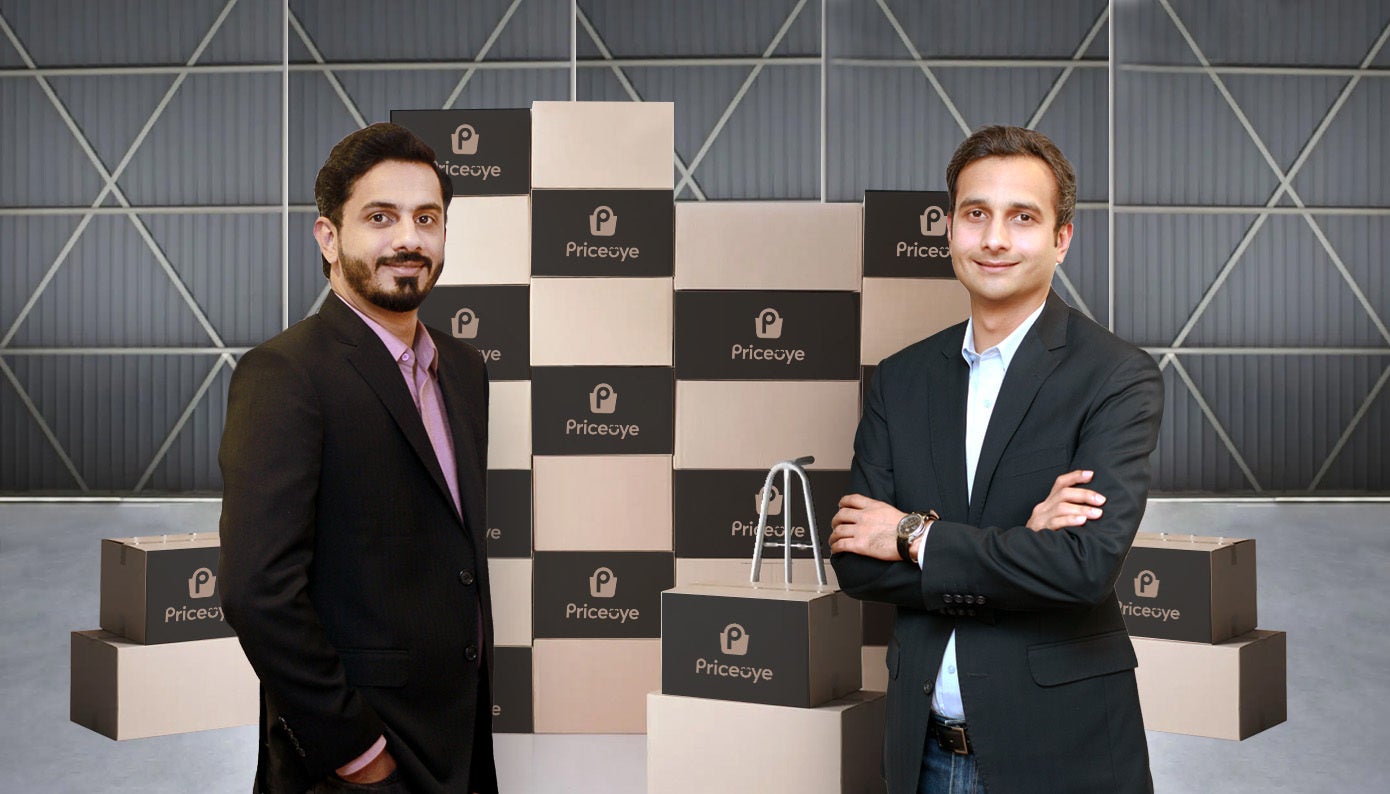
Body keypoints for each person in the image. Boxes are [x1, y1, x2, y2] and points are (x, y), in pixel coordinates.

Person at [830, 125, 1162, 794]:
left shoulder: (1116, 377)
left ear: (1062, 238)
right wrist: (1021, 543)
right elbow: (856, 562)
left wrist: (913, 538)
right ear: (950, 228)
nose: (995, 239)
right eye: (976, 213)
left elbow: (1081, 569)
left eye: (1023, 217)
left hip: (1060, 752)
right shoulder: (901, 379)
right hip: (921, 752)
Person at [219, 122, 496, 793]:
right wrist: (357, 753)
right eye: (380, 217)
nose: (409, 239)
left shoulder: (463, 368)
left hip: (459, 741)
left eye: (426, 218)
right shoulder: (285, 374)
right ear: (328, 237)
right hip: (358, 762)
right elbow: (258, 590)